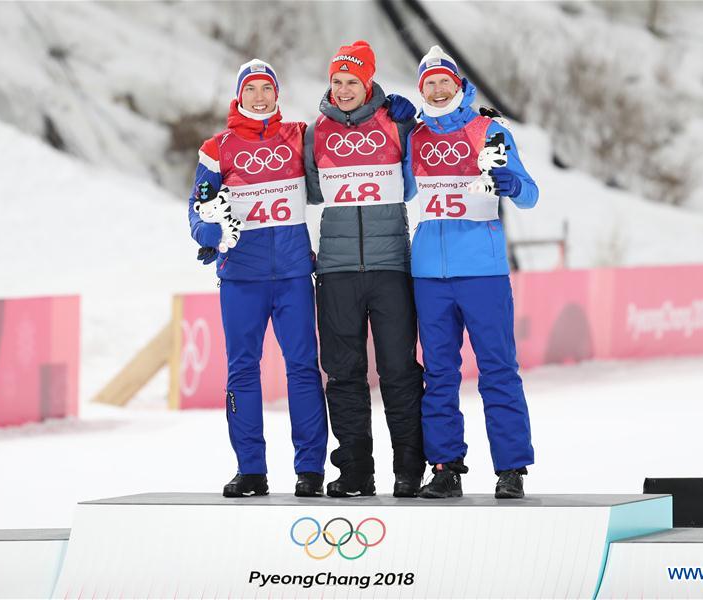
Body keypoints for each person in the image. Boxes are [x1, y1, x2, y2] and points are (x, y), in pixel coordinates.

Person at [189, 59, 328, 498]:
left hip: (291, 276)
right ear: (239, 96)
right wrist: (213, 232)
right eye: (252, 89)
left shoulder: (298, 136)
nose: (260, 97)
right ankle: (251, 470)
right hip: (241, 281)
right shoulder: (218, 148)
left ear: (276, 94)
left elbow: (350, 140)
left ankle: (310, 469)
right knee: (242, 372)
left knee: (303, 370)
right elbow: (197, 212)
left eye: (267, 88)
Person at [404, 46, 538, 499]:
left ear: (458, 84)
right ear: (421, 89)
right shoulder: (415, 136)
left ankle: (511, 468)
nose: (438, 89)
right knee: (439, 373)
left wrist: (512, 183)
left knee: (498, 368)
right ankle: (445, 467)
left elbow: (530, 195)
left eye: (445, 81)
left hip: (482, 270)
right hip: (428, 274)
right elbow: (398, 186)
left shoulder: (489, 128)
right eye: (429, 83)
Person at [304, 40, 425, 497]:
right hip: (335, 269)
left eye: (352, 81)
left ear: (368, 81)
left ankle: (409, 467)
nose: (344, 89)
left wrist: (413, 122)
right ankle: (356, 469)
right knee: (343, 372)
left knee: (399, 370)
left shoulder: (395, 124)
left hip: (391, 264)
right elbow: (311, 191)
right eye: (337, 81)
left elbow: (418, 181)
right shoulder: (316, 132)